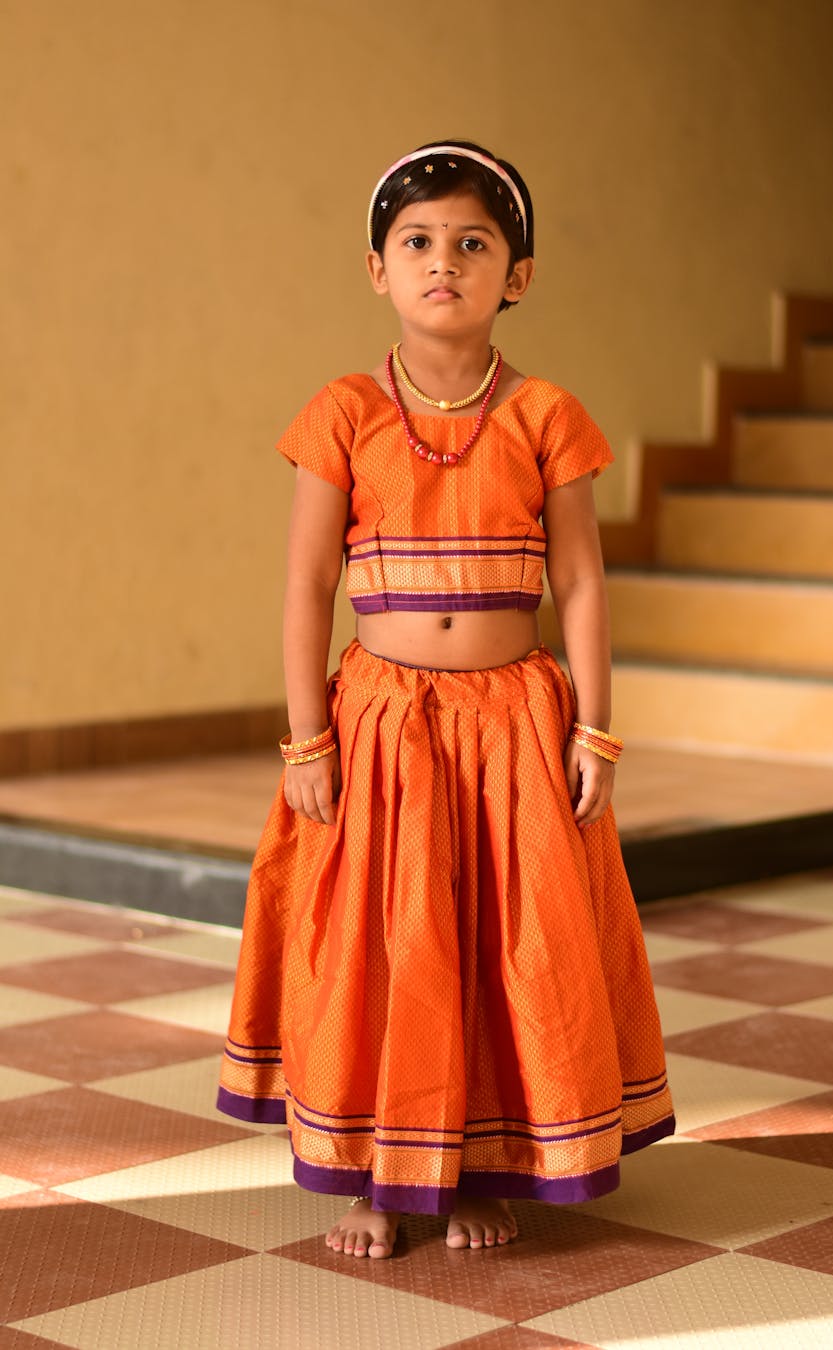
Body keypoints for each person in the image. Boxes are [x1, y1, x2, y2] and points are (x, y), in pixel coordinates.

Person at [217, 139, 675, 1260]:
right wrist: (305, 739)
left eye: (474, 244)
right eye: (417, 243)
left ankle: (473, 1168)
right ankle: (383, 1175)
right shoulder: (341, 414)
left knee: (493, 947)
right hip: (378, 728)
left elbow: (579, 582)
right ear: (377, 267)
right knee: (388, 948)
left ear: (514, 275)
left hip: (514, 726)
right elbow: (306, 584)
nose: (444, 263)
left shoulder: (547, 415)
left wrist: (596, 729)